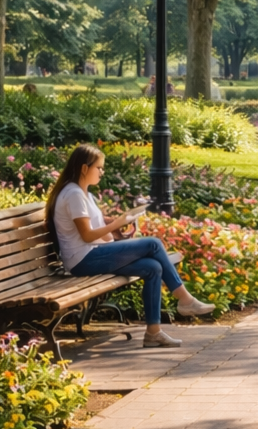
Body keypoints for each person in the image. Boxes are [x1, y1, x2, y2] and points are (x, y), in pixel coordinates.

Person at [44, 145, 214, 348]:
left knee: (153, 268)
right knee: (153, 243)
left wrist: (117, 229)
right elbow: (87, 235)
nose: (101, 172)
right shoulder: (73, 194)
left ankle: (153, 333)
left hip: (91, 254)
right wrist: (116, 224)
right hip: (82, 260)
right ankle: (185, 300)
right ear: (84, 168)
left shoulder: (84, 194)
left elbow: (98, 231)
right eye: (98, 167)